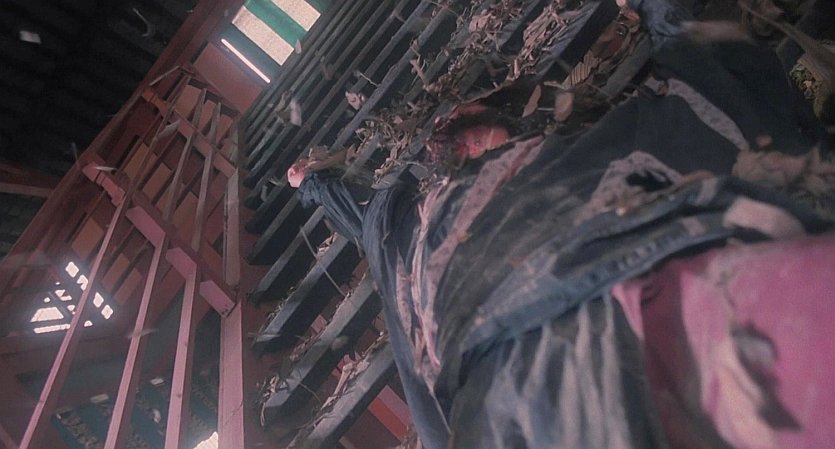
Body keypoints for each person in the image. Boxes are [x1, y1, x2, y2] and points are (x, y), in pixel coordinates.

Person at [287, 0, 834, 447]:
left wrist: (313, 183)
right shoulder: (413, 232)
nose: (447, 126)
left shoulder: (575, 162)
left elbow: (711, 76)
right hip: (526, 373)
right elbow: (719, 79)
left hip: (587, 340)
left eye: (464, 123)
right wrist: (311, 182)